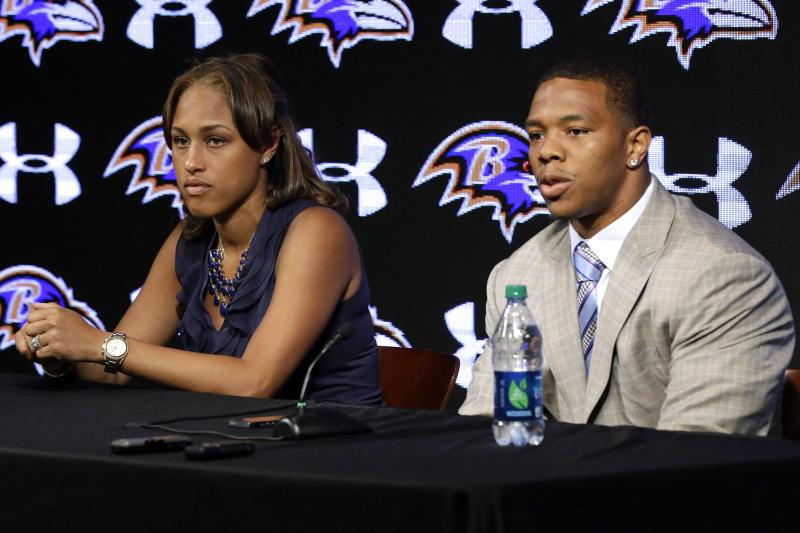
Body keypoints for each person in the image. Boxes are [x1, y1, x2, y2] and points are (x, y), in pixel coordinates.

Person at [15, 53, 382, 405]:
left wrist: (98, 344)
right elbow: (112, 372)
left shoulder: (316, 232)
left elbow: (254, 383)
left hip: (332, 454)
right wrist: (60, 350)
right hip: (234, 447)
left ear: (269, 143)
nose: (191, 162)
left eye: (215, 140)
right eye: (180, 141)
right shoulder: (190, 240)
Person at [459, 56, 795, 436]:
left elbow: (700, 454)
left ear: (635, 145)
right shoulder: (517, 275)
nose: (546, 152)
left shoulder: (724, 276)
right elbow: (488, 429)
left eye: (575, 131)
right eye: (536, 135)